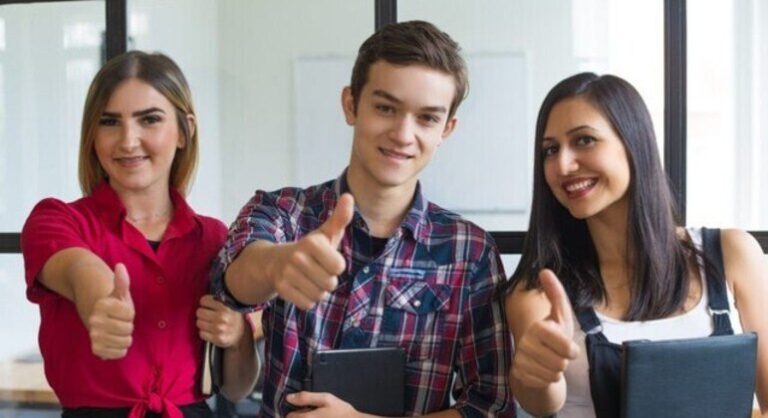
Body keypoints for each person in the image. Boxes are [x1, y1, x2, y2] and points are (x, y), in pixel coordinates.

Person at [211, 20, 513, 417]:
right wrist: (279, 265)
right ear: (351, 104)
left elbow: (490, 406)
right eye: (386, 108)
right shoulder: (283, 212)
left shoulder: (470, 252)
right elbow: (232, 281)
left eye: (426, 118)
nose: (404, 134)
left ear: (447, 129)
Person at [501, 72, 768, 417]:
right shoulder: (538, 289)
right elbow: (539, 402)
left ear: (633, 143)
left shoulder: (731, 252)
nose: (563, 164)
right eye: (550, 150)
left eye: (584, 140)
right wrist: (535, 372)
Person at [21, 51, 257, 418]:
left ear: (184, 130)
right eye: (110, 122)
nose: (128, 141)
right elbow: (79, 270)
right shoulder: (56, 219)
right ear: (92, 135)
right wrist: (100, 302)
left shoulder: (214, 238)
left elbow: (237, 387)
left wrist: (237, 337)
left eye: (149, 120)